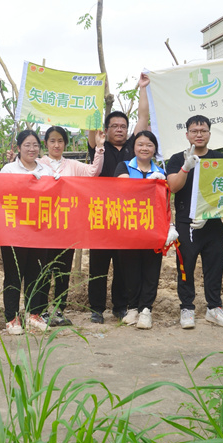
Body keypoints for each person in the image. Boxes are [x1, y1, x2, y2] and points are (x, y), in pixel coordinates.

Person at [164, 114, 223, 329]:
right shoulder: (177, 158)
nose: (199, 134)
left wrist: (213, 213)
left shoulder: (220, 158)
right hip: (187, 222)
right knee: (186, 266)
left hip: (212, 222)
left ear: (210, 134)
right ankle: (187, 307)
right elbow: (173, 188)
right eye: (194, 131)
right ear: (187, 134)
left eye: (203, 131)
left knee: (215, 265)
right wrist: (186, 167)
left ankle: (214, 308)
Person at [37, 125, 105, 327]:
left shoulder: (73, 165)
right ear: (46, 144)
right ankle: (40, 311)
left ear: (65, 143)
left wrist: (99, 148)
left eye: (60, 141)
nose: (56, 144)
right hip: (44, 228)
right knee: (43, 270)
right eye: (52, 141)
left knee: (63, 271)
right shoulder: (39, 164)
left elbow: (94, 172)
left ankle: (59, 310)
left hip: (67, 227)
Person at [86, 100, 147, 323]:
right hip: (100, 214)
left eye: (123, 126)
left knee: (124, 263)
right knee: (98, 264)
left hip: (127, 215)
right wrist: (91, 97)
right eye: (114, 126)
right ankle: (97, 309)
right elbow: (92, 128)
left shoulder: (134, 147)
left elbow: (143, 118)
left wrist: (143, 88)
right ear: (107, 129)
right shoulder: (99, 147)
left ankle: (120, 306)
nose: (119, 129)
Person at [0, 130, 55, 334]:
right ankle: (12, 317)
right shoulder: (8, 169)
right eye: (27, 145)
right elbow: (0, 196)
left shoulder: (46, 170)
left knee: (37, 273)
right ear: (19, 147)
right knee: (13, 274)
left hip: (39, 231)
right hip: (13, 232)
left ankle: (34, 313)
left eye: (35, 145)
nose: (31, 149)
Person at [114, 130, 169, 330]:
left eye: (149, 145)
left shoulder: (161, 170)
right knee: (130, 269)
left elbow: (166, 201)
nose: (144, 148)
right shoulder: (124, 166)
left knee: (151, 268)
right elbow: (123, 189)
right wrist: (149, 183)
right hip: (128, 228)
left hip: (153, 228)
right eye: (140, 144)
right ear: (134, 147)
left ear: (154, 149)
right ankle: (133, 307)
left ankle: (146, 309)